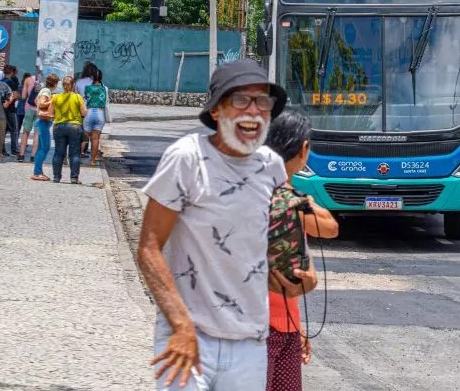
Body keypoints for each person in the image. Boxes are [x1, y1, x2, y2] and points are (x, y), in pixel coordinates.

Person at [136, 59, 318, 391]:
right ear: (217, 110)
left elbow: (279, 245)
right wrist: (179, 324)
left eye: (263, 101)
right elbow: (148, 247)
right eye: (240, 100)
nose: (254, 110)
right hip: (189, 335)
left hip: (250, 340)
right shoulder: (186, 158)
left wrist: (302, 279)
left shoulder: (272, 166)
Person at [263, 110, 339, 391]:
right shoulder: (281, 197)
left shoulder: (260, 192)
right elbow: (330, 227)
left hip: (286, 324)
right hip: (259, 327)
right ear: (304, 148)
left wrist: (297, 326)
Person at [51, 75, 87, 184]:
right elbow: (84, 113)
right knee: (74, 154)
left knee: (58, 153)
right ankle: (74, 178)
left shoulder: (56, 97)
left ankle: (56, 177)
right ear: (73, 85)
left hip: (59, 127)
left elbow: (50, 113)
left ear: (63, 86)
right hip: (74, 127)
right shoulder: (77, 97)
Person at [31, 74, 57, 181]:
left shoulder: (44, 90)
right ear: (55, 84)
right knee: (45, 148)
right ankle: (37, 173)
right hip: (43, 122)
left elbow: (36, 101)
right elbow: (41, 103)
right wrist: (53, 101)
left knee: (41, 148)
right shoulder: (46, 92)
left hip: (41, 122)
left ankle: (38, 171)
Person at [83, 69, 108, 167]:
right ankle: (92, 161)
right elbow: (106, 102)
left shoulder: (87, 88)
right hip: (100, 113)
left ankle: (79, 154)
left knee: (85, 138)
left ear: (91, 77)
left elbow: (85, 99)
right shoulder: (104, 88)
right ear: (101, 77)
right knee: (95, 139)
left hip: (89, 113)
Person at [76, 61, 97, 158]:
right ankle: (83, 151)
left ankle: (78, 149)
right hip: (91, 109)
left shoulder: (79, 82)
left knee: (80, 129)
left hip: (80, 108)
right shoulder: (94, 83)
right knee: (88, 131)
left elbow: (76, 95)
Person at [18, 72, 39, 163]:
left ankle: (21, 155)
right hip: (39, 109)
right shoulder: (44, 80)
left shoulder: (28, 79)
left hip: (29, 108)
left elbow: (23, 96)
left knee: (25, 132)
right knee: (37, 133)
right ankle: (33, 156)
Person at [2, 66, 21, 157]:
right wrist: (19, 96)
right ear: (12, 73)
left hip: (2, 108)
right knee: (14, 129)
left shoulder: (1, 81)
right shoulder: (11, 82)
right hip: (11, 108)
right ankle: (14, 149)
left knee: (4, 130)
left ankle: (2, 149)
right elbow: (16, 95)